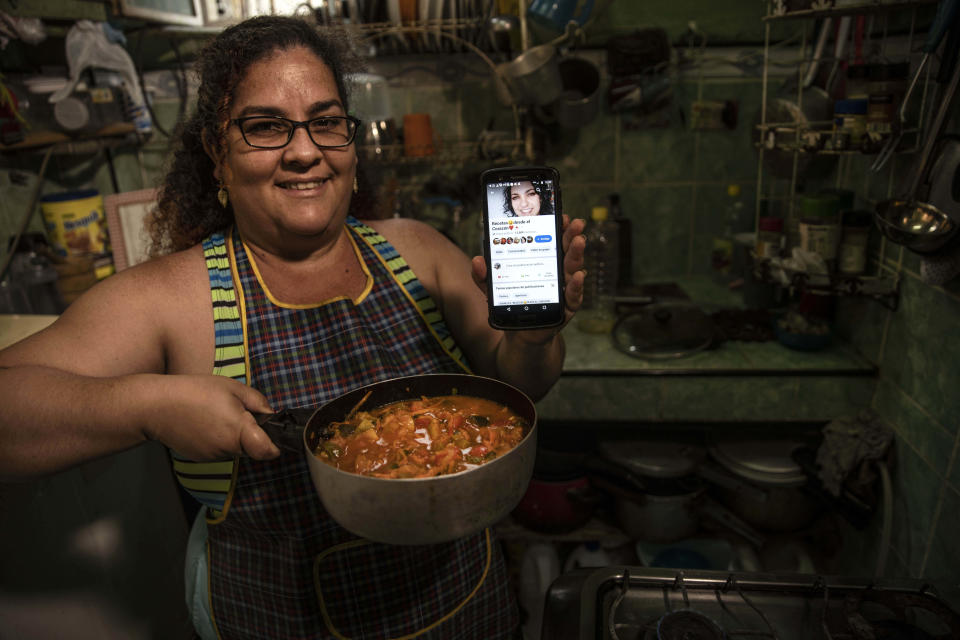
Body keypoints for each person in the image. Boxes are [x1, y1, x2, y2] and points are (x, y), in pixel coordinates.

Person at [0, 15, 586, 640]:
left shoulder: (418, 250)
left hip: (466, 608)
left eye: (327, 122)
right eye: (265, 127)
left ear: (351, 149)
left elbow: (525, 385)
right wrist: (145, 403)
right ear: (217, 157)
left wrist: (533, 338)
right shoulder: (170, 298)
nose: (305, 150)